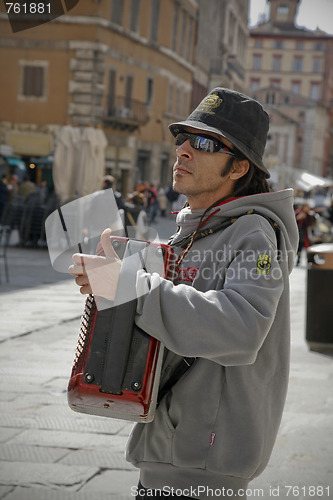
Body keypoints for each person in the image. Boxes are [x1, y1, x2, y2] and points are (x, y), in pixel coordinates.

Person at [69, 88, 299, 500]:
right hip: (166, 459)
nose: (185, 150)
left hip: (204, 473)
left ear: (239, 167)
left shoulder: (256, 235)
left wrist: (127, 286)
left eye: (206, 143)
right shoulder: (195, 229)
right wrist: (117, 274)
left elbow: (242, 328)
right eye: (183, 138)